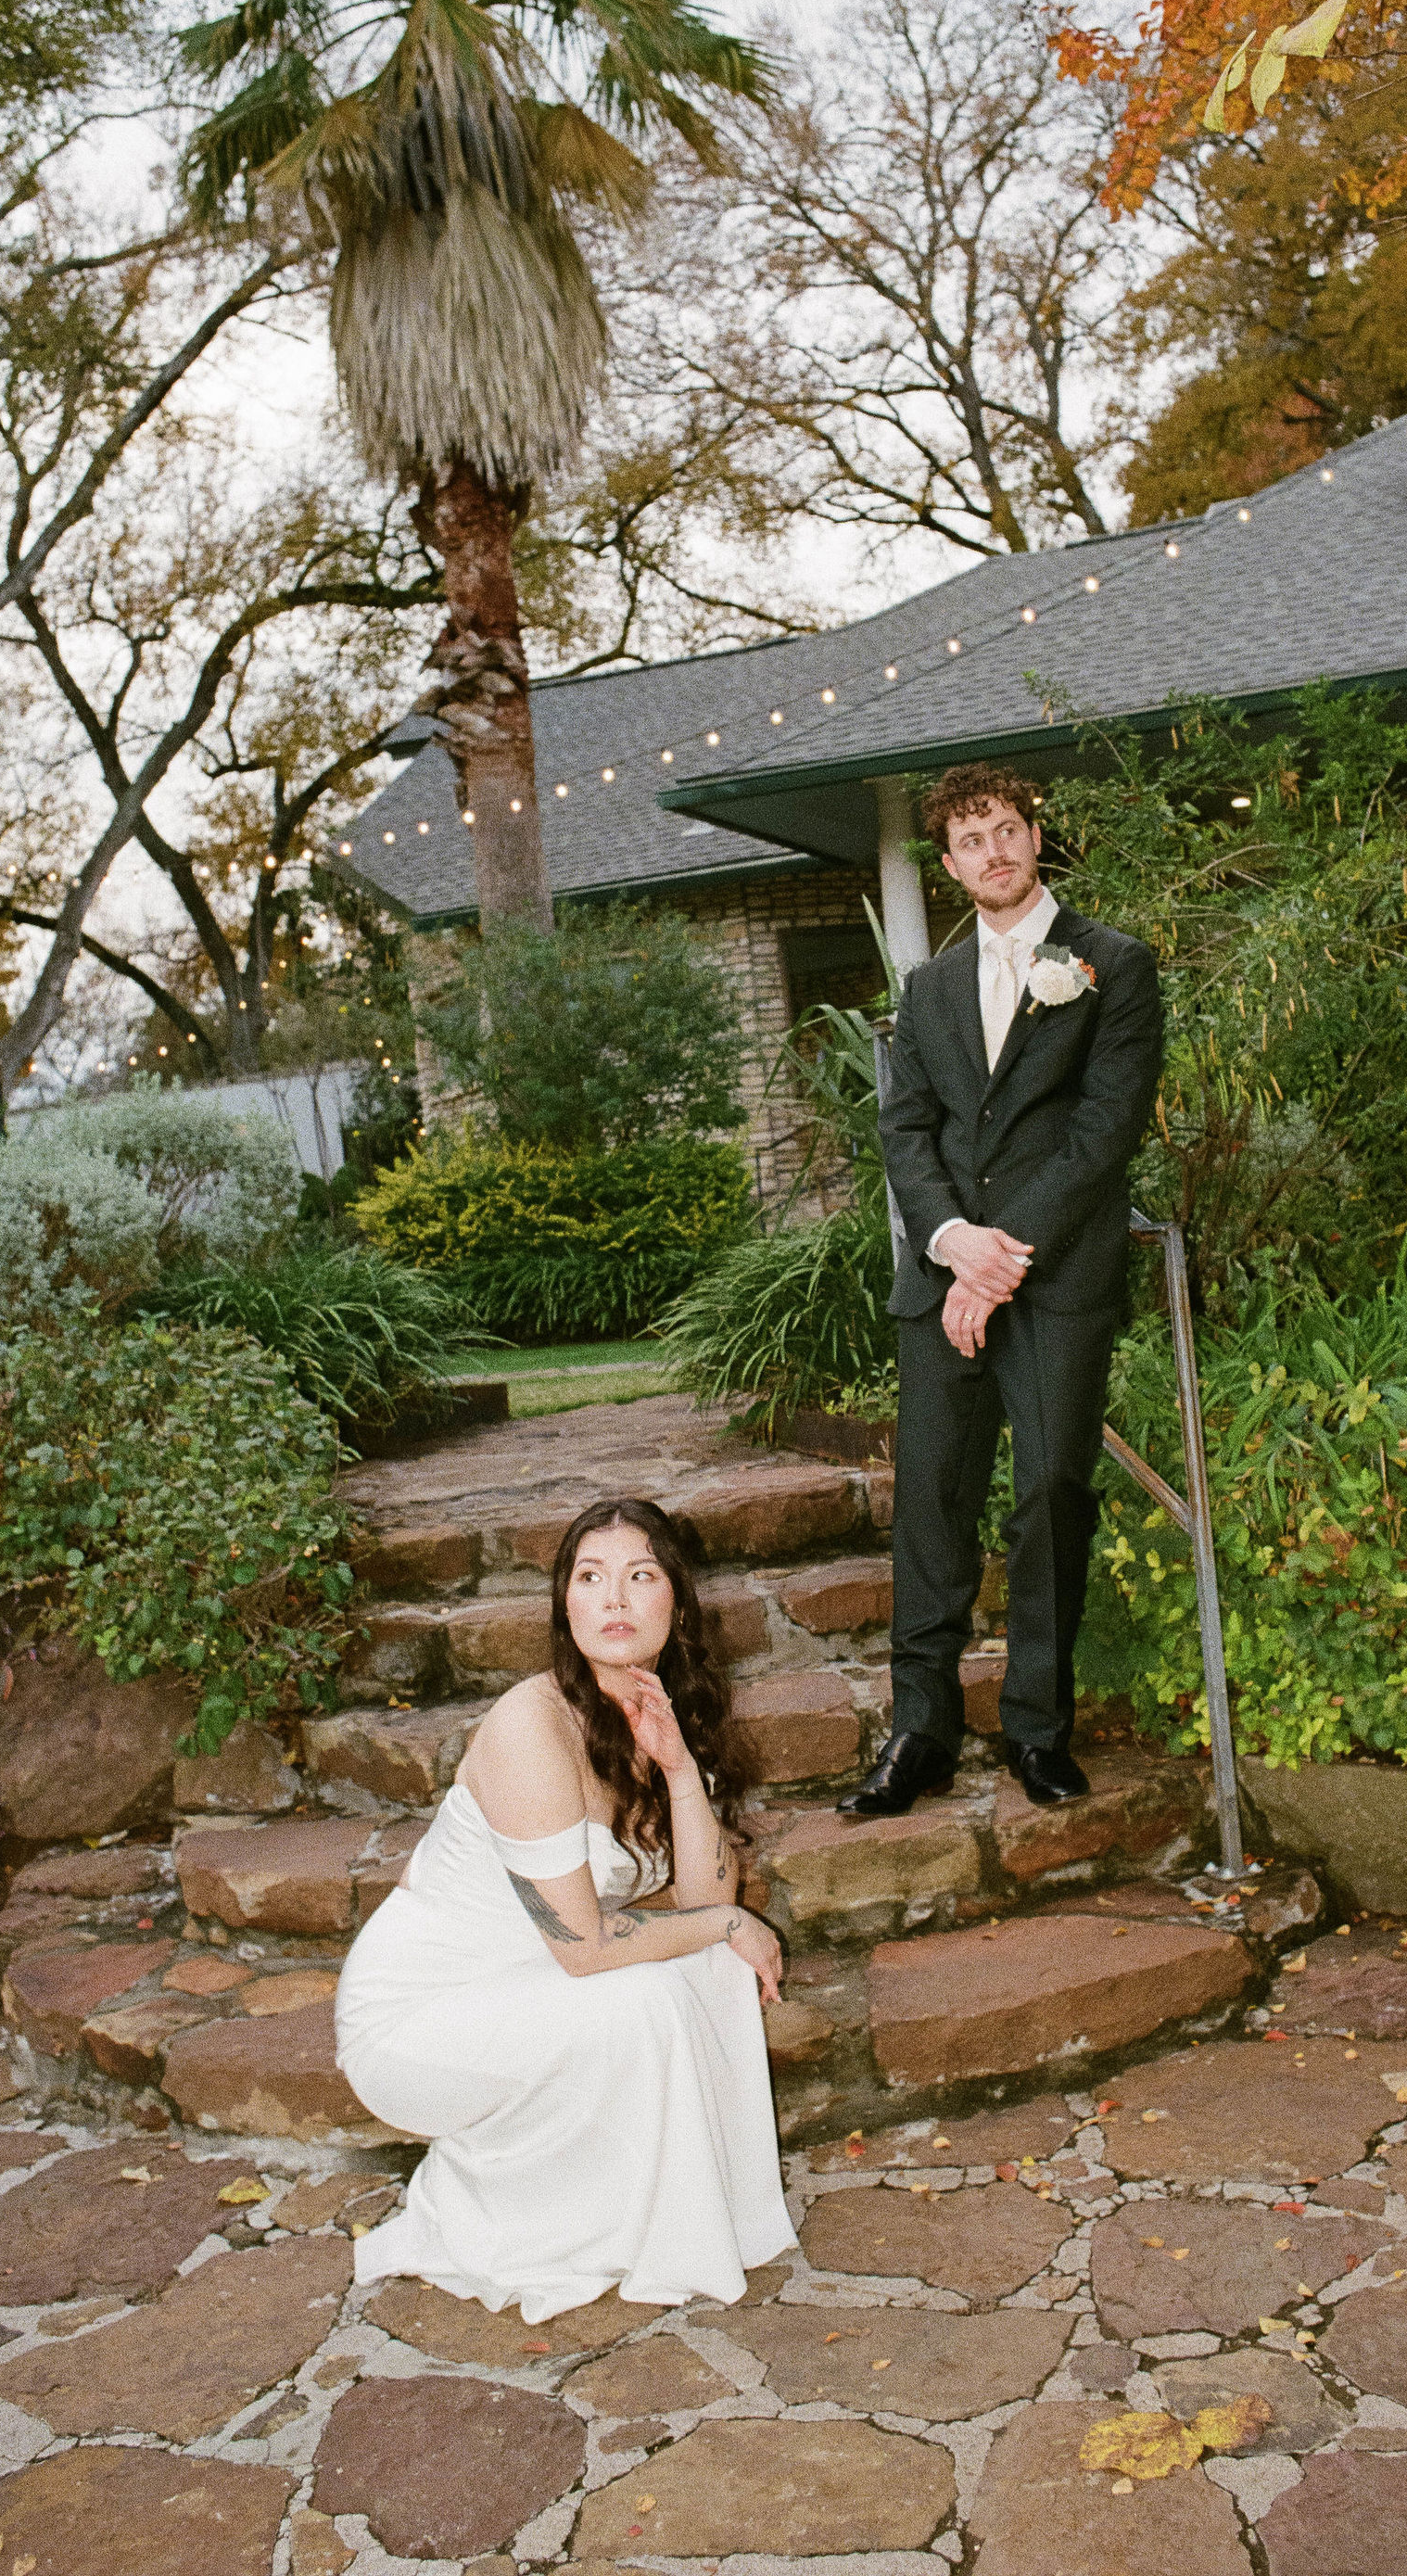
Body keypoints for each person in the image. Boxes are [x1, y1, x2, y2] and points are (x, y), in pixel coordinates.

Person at [335, 1497, 794, 2323]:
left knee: (711, 1968)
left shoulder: (657, 1705)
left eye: (640, 1575)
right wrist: (731, 1924)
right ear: (566, 1604)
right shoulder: (531, 1725)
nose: (614, 1598)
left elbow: (703, 1896)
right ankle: (552, 2219)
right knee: (651, 1990)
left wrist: (679, 1769)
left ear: (676, 1601)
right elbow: (586, 1947)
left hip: (526, 1987)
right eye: (590, 1577)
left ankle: (676, 2214)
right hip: (415, 2021)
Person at [840, 761, 1162, 1821]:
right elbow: (906, 1127)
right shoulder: (927, 989)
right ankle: (920, 1732)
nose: (992, 851)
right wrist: (949, 1242)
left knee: (1048, 1495)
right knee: (930, 1501)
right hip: (944, 1279)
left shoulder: (1111, 965)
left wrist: (1000, 1257)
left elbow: (1101, 1132)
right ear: (947, 863)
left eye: (1005, 829)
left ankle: (1035, 1726)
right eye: (969, 839)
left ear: (1033, 833)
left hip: (1056, 1278)